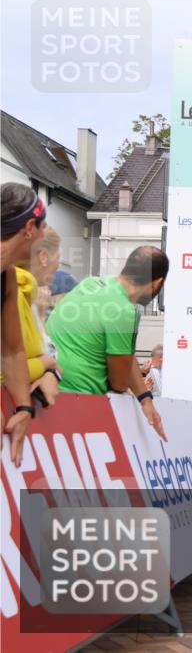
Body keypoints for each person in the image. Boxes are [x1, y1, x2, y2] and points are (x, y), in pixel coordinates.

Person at [46, 245, 168, 439]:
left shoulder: (91, 283)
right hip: (79, 404)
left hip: (46, 391)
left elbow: (125, 357)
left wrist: (145, 398)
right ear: (157, 283)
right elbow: (119, 383)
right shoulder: (124, 310)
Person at [1, 183, 47, 465]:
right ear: (29, 227)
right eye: (43, 229)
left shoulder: (7, 277)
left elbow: (11, 350)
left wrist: (23, 408)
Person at [14, 227, 62, 409]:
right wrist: (49, 364)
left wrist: (52, 372)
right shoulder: (16, 293)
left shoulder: (31, 297)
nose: (57, 268)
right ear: (43, 257)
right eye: (58, 260)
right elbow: (8, 368)